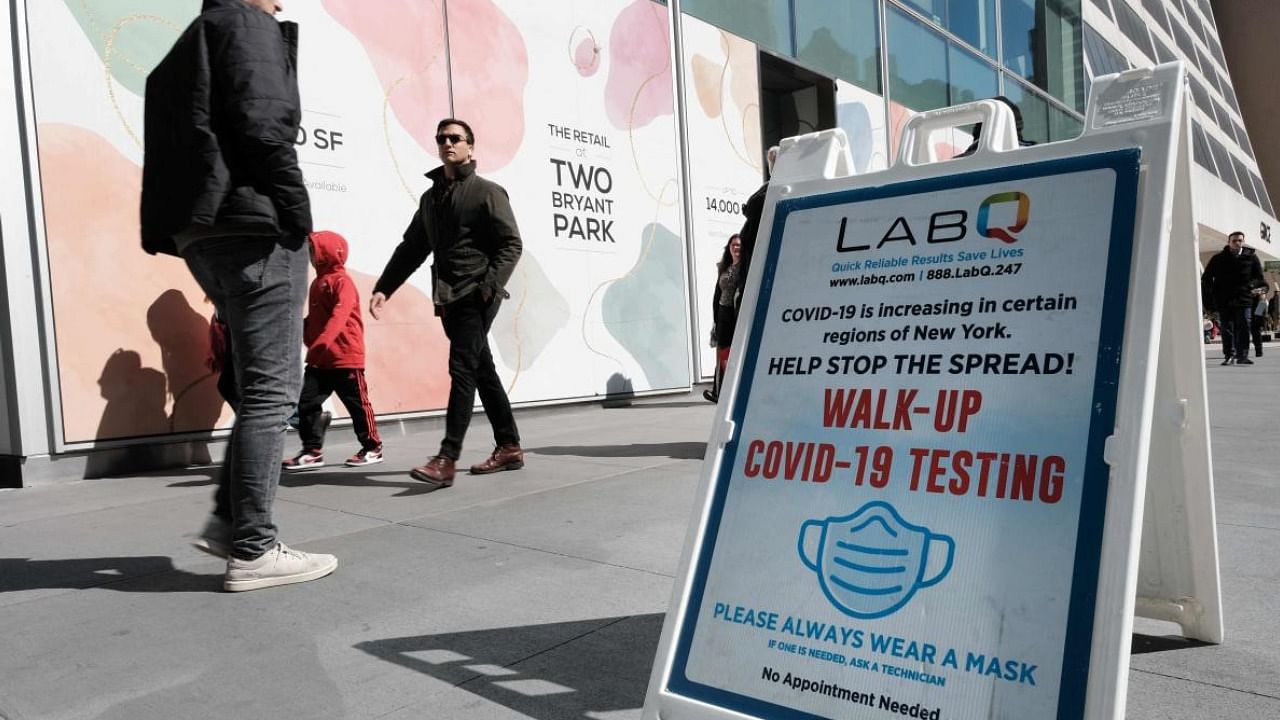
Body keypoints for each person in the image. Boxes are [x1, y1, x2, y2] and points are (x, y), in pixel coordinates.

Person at [141, 0, 337, 591]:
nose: (283, 3)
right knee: (274, 393)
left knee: (257, 390)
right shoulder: (248, 24)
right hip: (254, 229)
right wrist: (297, 214)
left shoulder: (188, 43)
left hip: (202, 233)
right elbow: (264, 126)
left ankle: (230, 524)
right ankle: (253, 549)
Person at [369, 118, 524, 488]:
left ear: (471, 147)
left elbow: (511, 244)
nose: (447, 143)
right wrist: (385, 287)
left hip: (476, 295)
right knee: (481, 369)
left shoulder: (487, 192)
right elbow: (412, 247)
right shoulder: (431, 199)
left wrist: (488, 287)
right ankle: (509, 445)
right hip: (448, 296)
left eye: (456, 138)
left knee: (462, 368)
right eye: (442, 139)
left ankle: (447, 458)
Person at [283, 231, 384, 470]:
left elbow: (341, 314)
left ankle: (373, 447)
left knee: (358, 405)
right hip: (321, 360)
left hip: (345, 357)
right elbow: (317, 318)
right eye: (309, 251)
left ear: (326, 253)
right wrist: (300, 328)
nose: (310, 256)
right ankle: (312, 451)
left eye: (313, 251)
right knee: (306, 403)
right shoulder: (318, 283)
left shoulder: (342, 281)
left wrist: (321, 342)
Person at [1202, 231, 1266, 365]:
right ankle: (1229, 355)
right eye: (1234, 240)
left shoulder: (1251, 258)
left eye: (1240, 240)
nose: (1237, 243)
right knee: (1226, 328)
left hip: (1244, 299)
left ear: (1243, 241)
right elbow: (1206, 278)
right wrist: (1212, 293)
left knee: (1244, 326)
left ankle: (1242, 355)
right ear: (1229, 242)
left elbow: (1259, 278)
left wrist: (1251, 286)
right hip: (1224, 300)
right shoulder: (1218, 258)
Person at [704, 234, 742, 403]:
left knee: (734, 354)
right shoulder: (724, 268)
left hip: (736, 316)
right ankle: (718, 391)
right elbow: (717, 293)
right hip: (722, 314)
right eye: (733, 245)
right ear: (729, 248)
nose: (736, 248)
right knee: (722, 354)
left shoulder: (745, 267)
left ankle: (731, 391)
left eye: (739, 245)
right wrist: (715, 319)